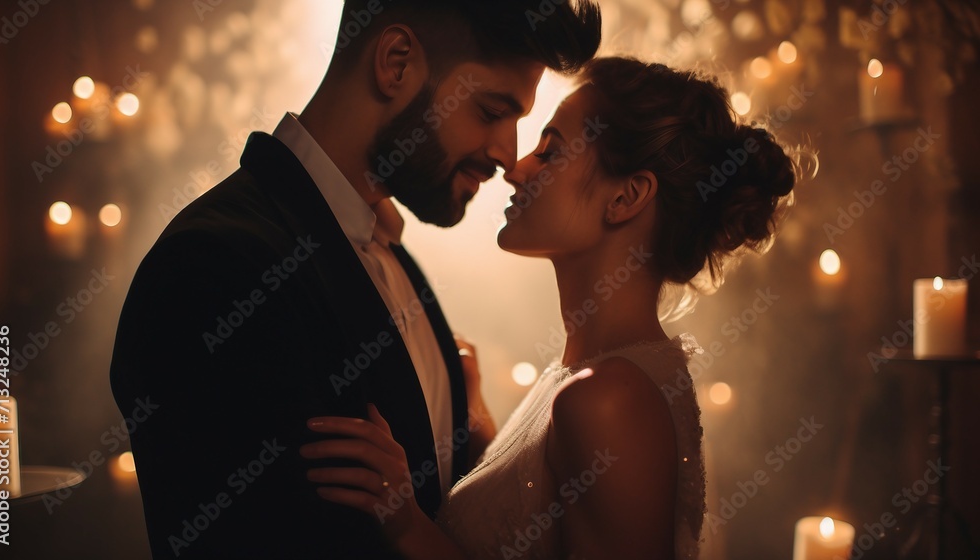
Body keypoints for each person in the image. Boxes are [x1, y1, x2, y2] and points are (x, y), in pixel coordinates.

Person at [108, 1, 601, 558]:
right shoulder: (215, 264)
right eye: (491, 111)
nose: (507, 154)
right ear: (395, 63)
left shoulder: (390, 253)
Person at [300, 57, 798, 559]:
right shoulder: (596, 375)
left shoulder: (608, 401)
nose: (514, 170)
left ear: (626, 196)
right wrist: (477, 427)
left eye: (551, 151)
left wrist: (405, 523)